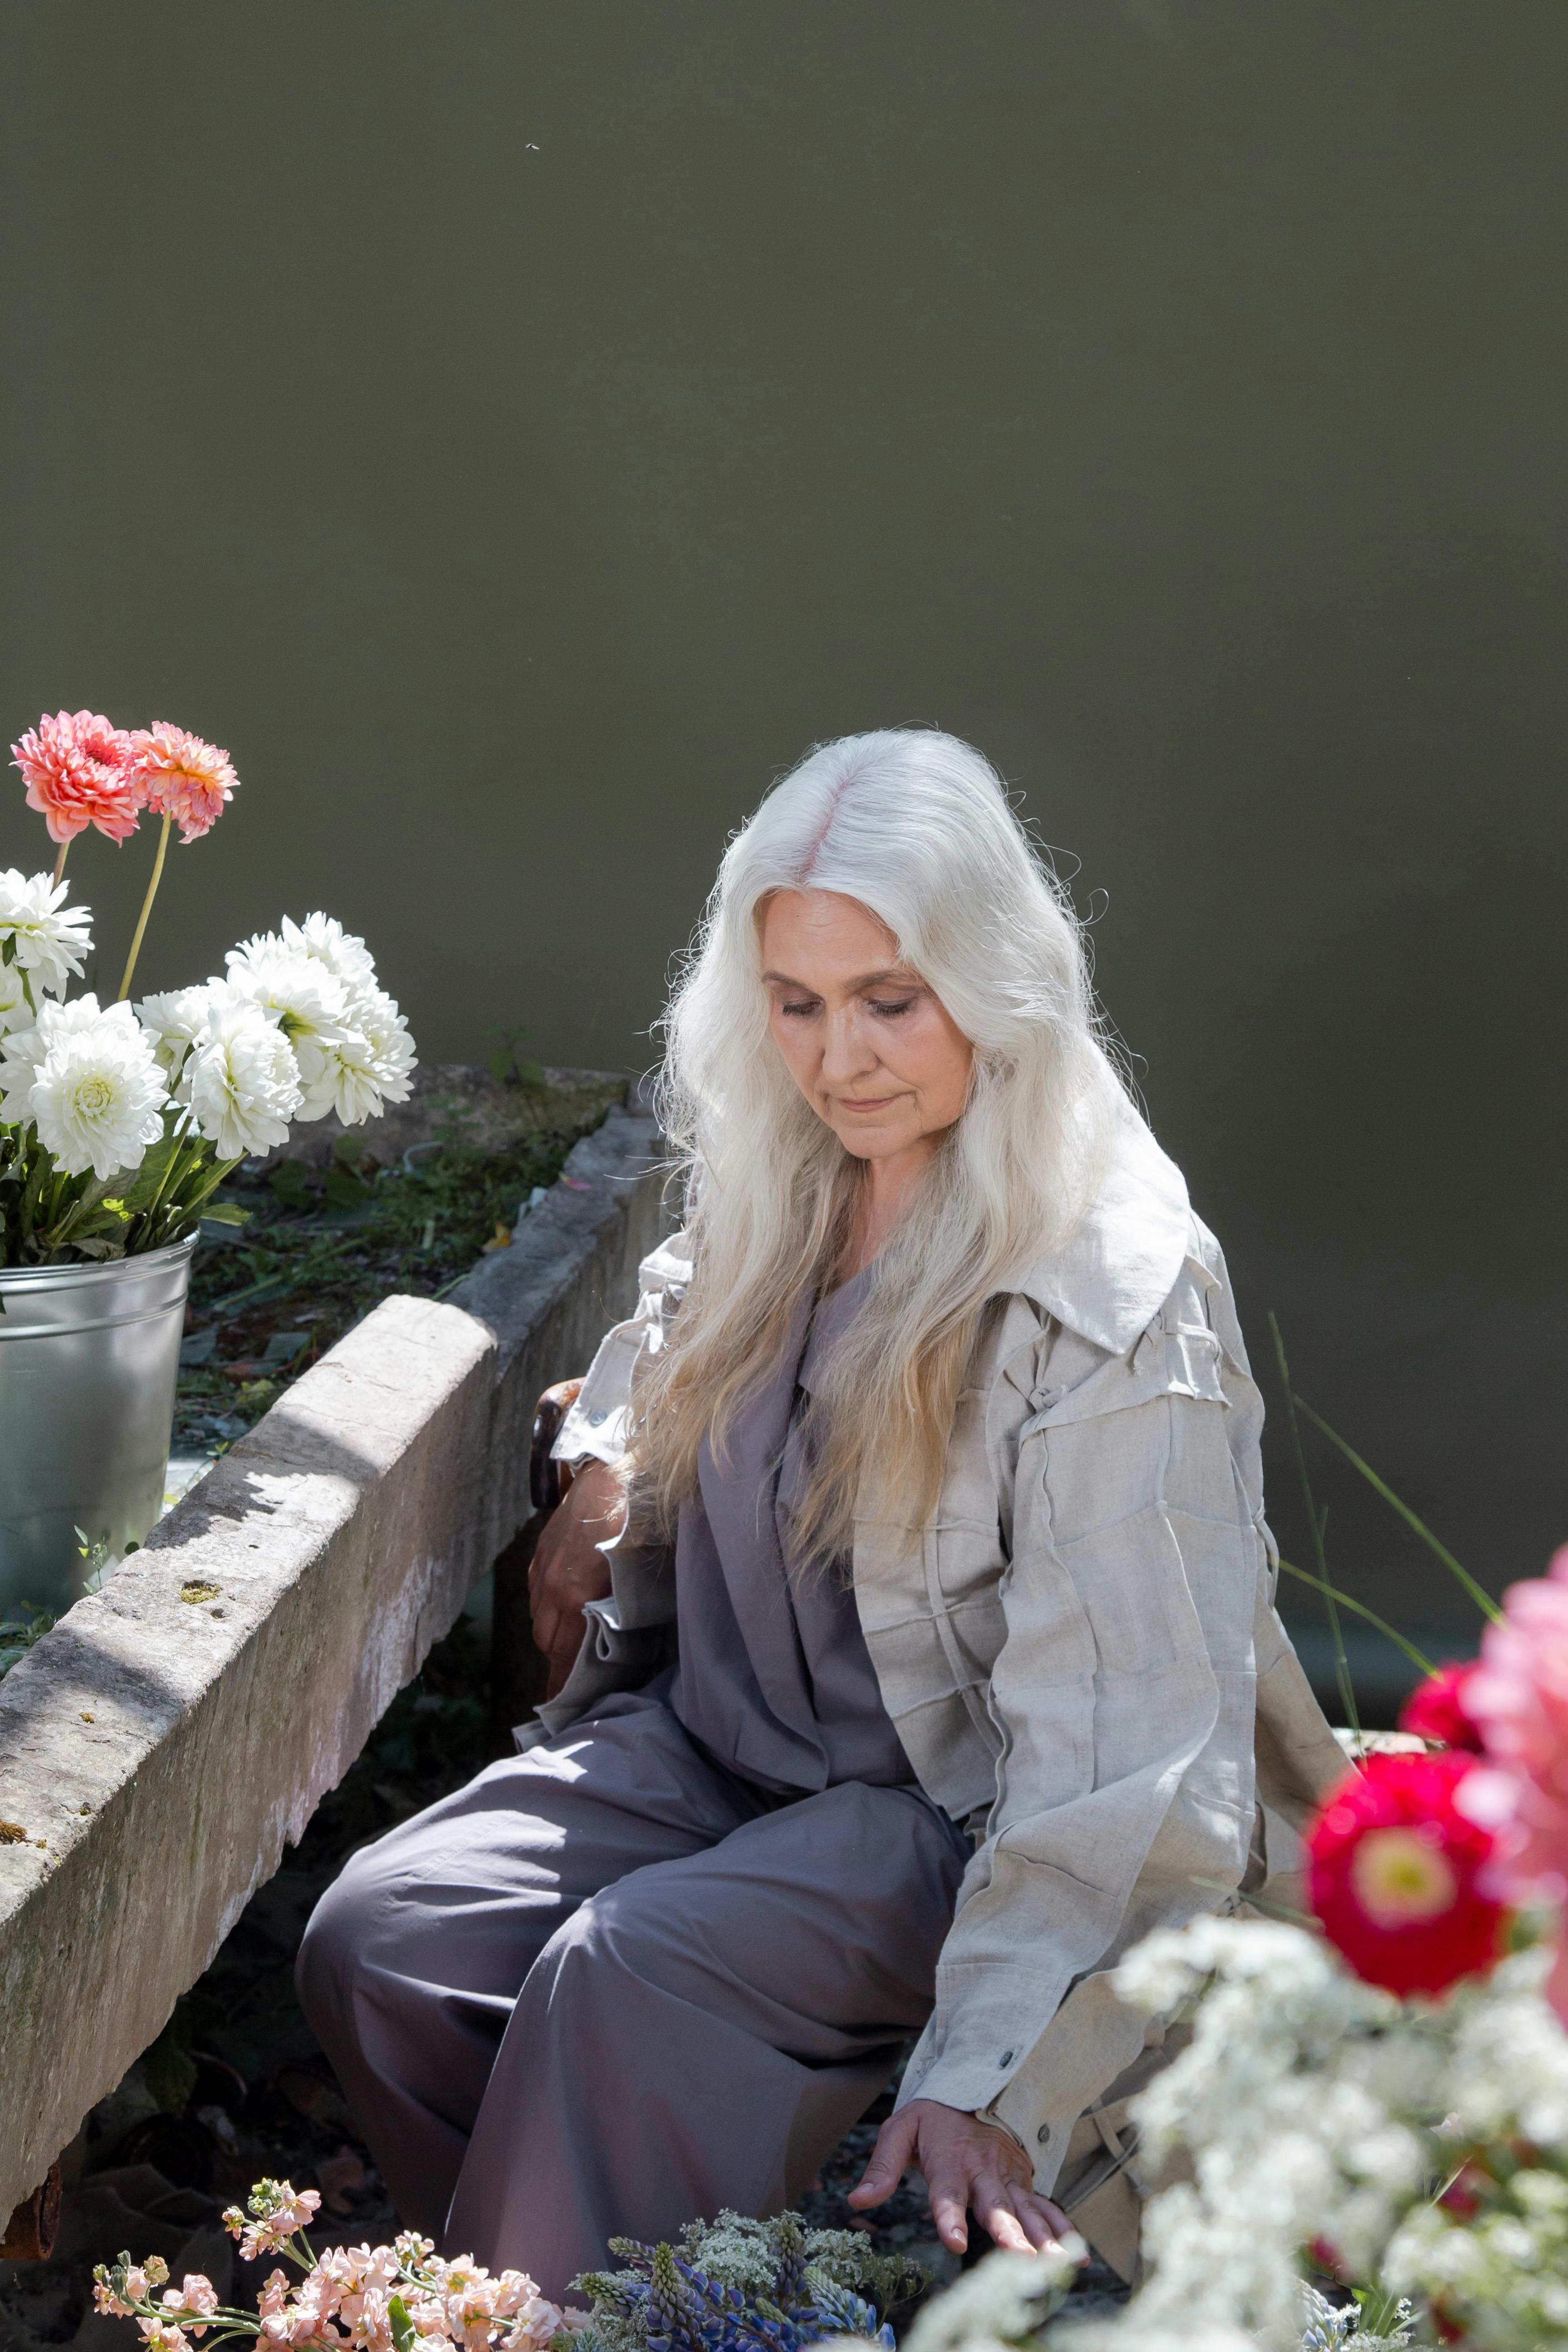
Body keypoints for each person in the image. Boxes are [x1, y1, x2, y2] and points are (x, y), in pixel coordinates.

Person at [297, 729, 1343, 2300]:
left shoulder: (1117, 1289)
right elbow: (676, 1317)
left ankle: (573, 2318)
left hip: (943, 1817)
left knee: (624, 1976)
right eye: (796, 1004)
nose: (839, 1055)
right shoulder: (795, 1151)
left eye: (887, 1004)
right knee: (385, 1942)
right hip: (717, 1745)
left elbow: (1129, 1758)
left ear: (991, 980)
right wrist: (608, 1464)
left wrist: (983, 2075)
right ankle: (644, 2304)